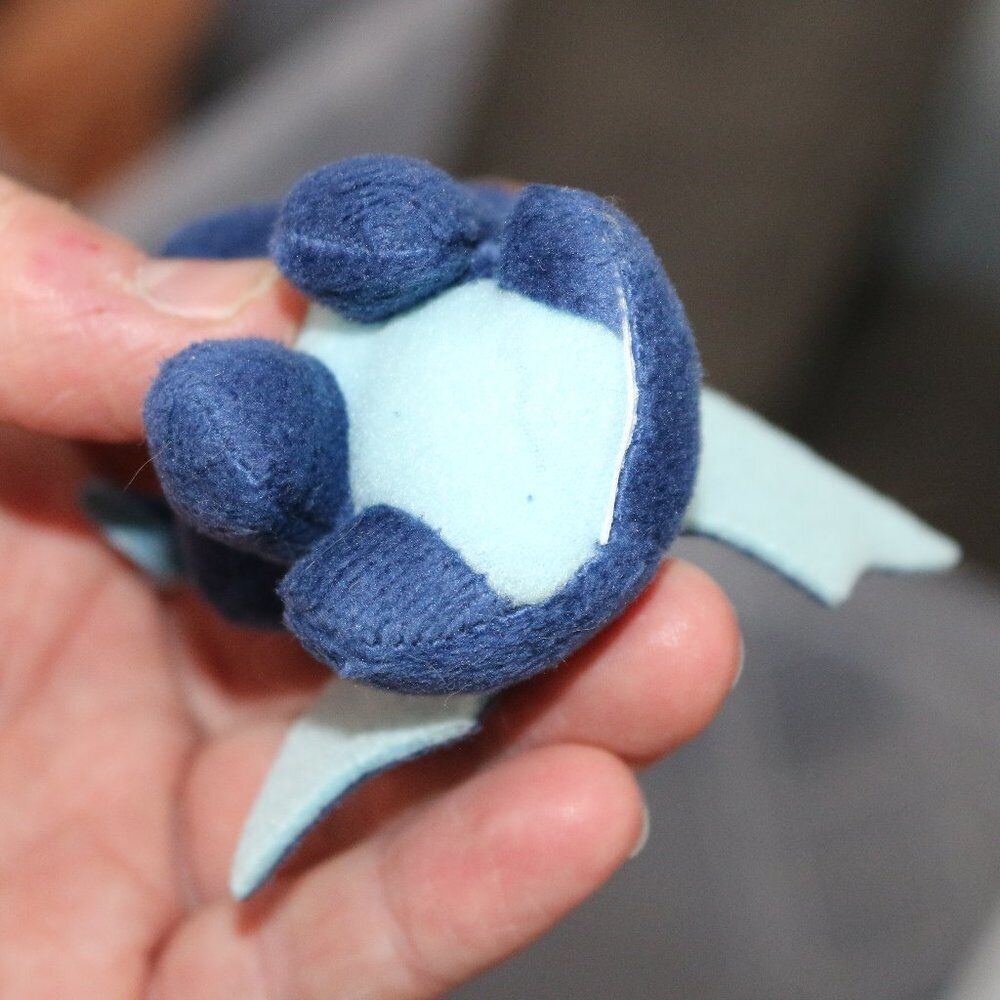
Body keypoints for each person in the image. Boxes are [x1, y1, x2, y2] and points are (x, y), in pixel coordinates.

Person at [0, 175, 741, 998]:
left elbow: (356, 611)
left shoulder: (510, 543)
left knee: (249, 442)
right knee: (263, 404)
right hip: (334, 349)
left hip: (346, 474)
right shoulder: (526, 287)